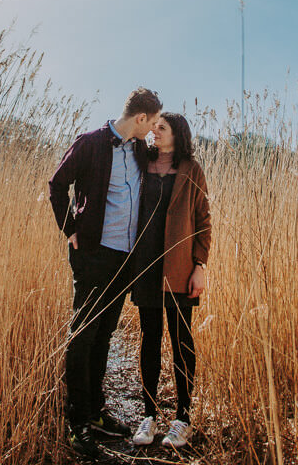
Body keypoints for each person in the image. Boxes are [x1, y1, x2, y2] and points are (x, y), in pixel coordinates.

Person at [48, 87, 163, 458]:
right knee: (83, 335)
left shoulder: (139, 151)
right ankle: (77, 420)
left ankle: (96, 411)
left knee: (105, 335)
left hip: (124, 260)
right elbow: (57, 185)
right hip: (94, 254)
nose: (152, 130)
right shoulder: (91, 143)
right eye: (151, 122)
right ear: (140, 118)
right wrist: (71, 229)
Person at [127, 112, 212, 449]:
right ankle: (148, 415)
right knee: (150, 337)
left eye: (161, 128)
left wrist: (200, 265)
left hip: (179, 267)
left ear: (178, 135)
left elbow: (204, 219)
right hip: (146, 264)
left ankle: (183, 418)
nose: (154, 132)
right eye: (154, 127)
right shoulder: (142, 161)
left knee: (181, 341)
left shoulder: (191, 169)